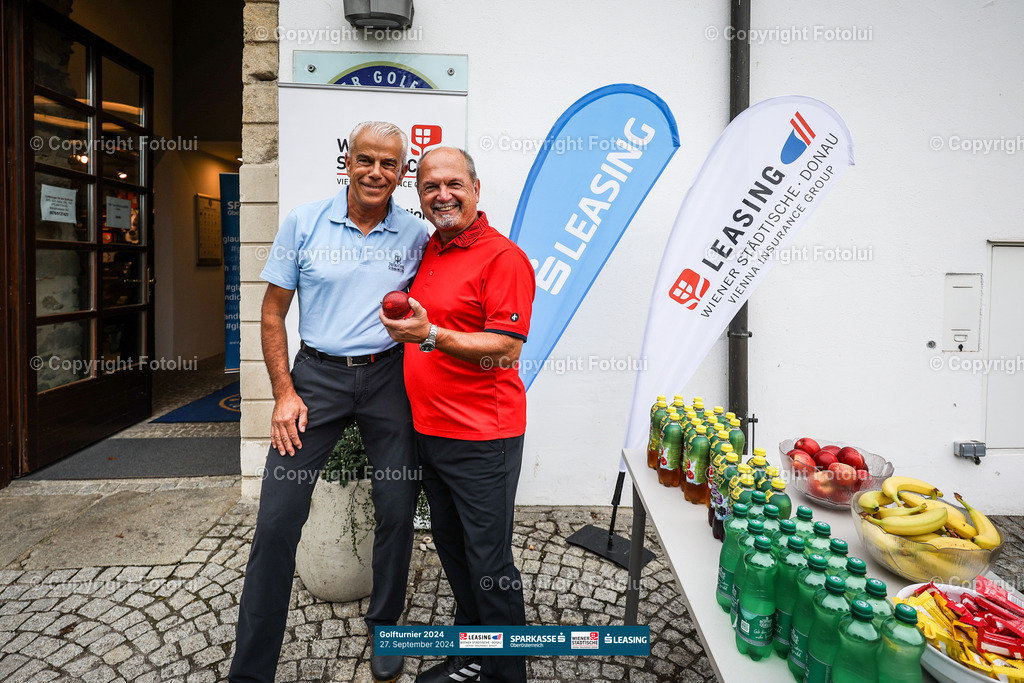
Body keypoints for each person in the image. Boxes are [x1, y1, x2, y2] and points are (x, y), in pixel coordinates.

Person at [229, 121, 430, 683]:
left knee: (396, 507)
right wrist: (284, 392)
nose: (376, 172)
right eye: (366, 160)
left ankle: (386, 624)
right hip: (315, 379)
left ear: (401, 172)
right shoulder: (304, 222)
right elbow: (272, 313)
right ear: (348, 161)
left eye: (389, 164)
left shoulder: (415, 235)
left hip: (388, 377)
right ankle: (251, 668)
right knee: (276, 521)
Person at [380, 147, 535, 683]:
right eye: (429, 187)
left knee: (489, 561)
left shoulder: (502, 258)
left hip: (482, 438)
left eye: (453, 184)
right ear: (418, 195)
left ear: (475, 186)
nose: (441, 195)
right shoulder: (431, 249)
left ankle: (505, 673)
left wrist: (430, 335)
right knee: (452, 546)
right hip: (431, 433)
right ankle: (475, 648)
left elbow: (505, 349)